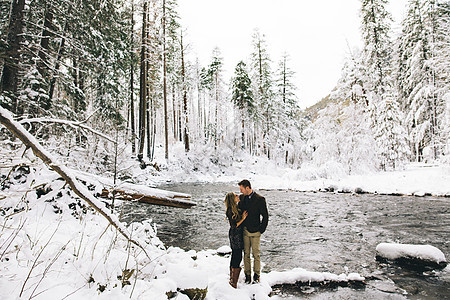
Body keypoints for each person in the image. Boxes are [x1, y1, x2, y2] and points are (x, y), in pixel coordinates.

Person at [238, 179, 269, 284]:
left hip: (256, 231)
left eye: (242, 189)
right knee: (246, 254)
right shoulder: (242, 198)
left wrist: (261, 230)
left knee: (256, 254)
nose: (241, 191)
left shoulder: (260, 199)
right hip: (245, 230)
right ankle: (247, 276)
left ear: (247, 188)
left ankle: (256, 276)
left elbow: (265, 216)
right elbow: (238, 212)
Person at [224, 192, 248, 288]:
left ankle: (232, 279)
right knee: (237, 256)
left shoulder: (235, 208)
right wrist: (243, 218)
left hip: (237, 234)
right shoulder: (230, 210)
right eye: (236, 196)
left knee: (235, 254)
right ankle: (234, 282)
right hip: (235, 234)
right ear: (232, 199)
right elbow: (234, 225)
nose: (238, 196)